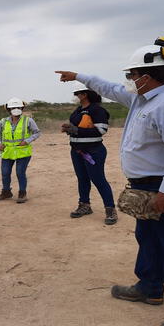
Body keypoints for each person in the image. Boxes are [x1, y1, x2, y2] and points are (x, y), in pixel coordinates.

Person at [55, 37, 164, 326]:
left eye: (132, 75)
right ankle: (150, 287)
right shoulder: (142, 99)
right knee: (148, 238)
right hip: (145, 186)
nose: (128, 80)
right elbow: (109, 89)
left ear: (146, 76)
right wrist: (78, 76)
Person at [62, 82, 118, 225]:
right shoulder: (78, 110)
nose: (76, 96)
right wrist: (69, 128)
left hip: (93, 151)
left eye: (77, 94)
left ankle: (110, 209)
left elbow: (101, 131)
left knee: (98, 179)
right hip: (76, 151)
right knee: (82, 179)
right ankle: (84, 205)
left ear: (84, 94)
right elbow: (77, 128)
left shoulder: (97, 110)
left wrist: (76, 130)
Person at [0, 97, 41, 203]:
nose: (16, 109)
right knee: (5, 173)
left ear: (22, 108)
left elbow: (37, 132)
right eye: (13, 107)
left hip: (23, 152)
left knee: (20, 172)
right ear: (9, 109)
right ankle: (6, 192)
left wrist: (27, 141)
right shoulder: (3, 121)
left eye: (18, 107)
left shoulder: (28, 120)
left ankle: (22, 193)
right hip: (7, 152)